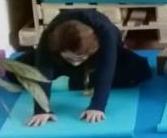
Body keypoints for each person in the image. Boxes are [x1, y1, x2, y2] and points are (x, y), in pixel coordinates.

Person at [22, 9, 152, 128]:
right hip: (62, 63)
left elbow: (107, 68)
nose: (76, 63)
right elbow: (43, 69)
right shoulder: (49, 36)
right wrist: (41, 109)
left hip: (97, 59)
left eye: (78, 59)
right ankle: (73, 76)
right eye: (71, 59)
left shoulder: (106, 33)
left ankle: (69, 82)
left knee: (140, 70)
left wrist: (97, 106)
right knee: (17, 71)